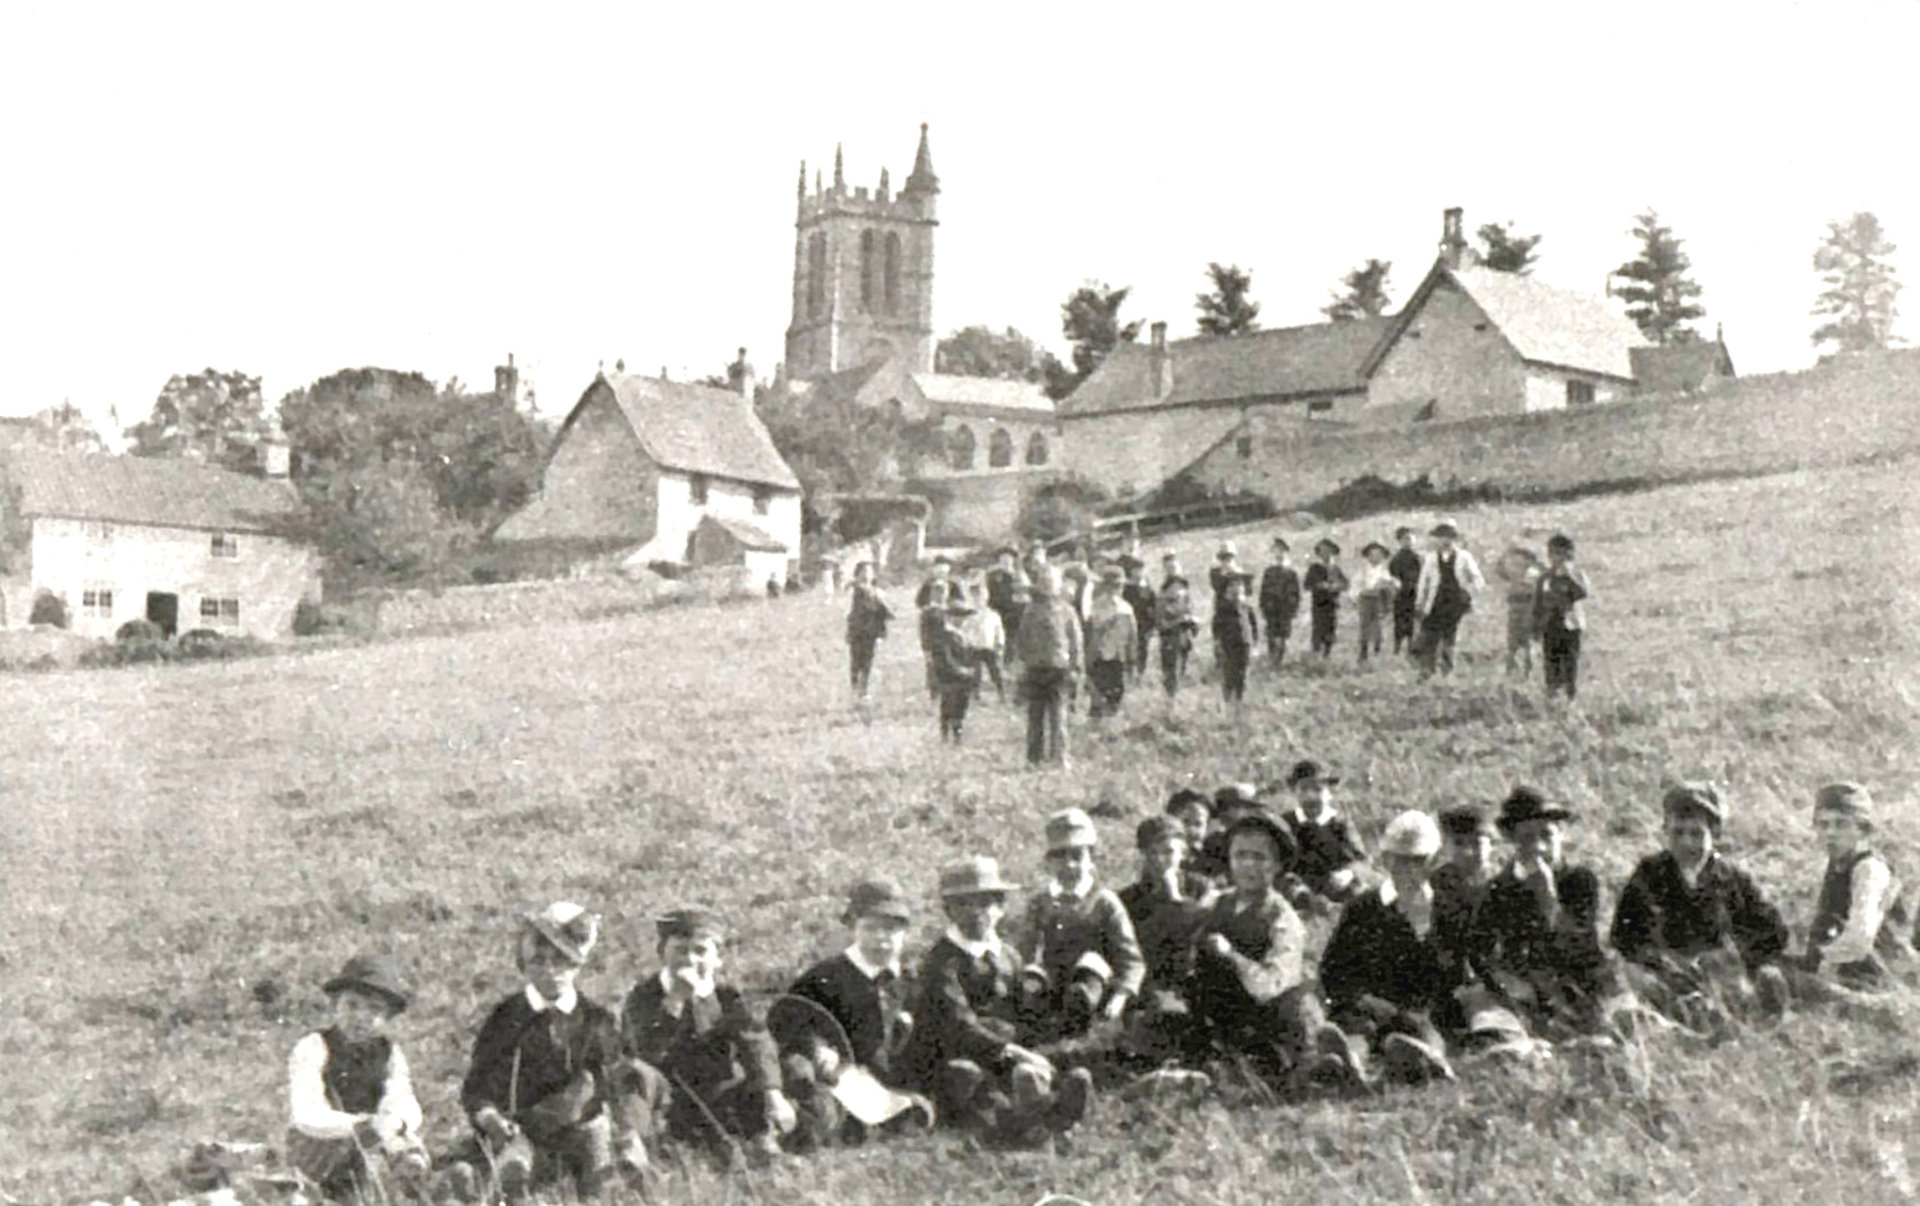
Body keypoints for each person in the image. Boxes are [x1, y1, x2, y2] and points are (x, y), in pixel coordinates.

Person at [902, 856, 1095, 1146]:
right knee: (970, 1080)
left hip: (1005, 1051)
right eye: (964, 905)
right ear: (949, 911)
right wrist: (1015, 1052)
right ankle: (1032, 1119)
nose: (977, 913)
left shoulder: (1008, 955)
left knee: (1046, 1064)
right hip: (960, 1052)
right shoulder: (942, 962)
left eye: (986, 903)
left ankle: (1046, 1110)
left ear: (1001, 908)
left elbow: (1024, 1013)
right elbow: (959, 1024)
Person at [458, 904, 636, 1199]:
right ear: (523, 965)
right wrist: (489, 1117)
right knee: (501, 1168)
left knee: (596, 1133)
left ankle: (598, 1192)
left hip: (575, 1132)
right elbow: (476, 1088)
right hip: (517, 1132)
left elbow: (612, 1082)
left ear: (577, 964)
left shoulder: (595, 1019)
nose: (550, 971)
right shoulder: (507, 1017)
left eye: (561, 961)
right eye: (538, 961)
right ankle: (509, 1185)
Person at [1186, 811, 1359, 1090]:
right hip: (1230, 1014)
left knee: (1293, 1044)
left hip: (1275, 1016)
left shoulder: (1282, 917)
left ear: (1277, 865)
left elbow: (1271, 984)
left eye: (1259, 858)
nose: (1248, 866)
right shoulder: (1217, 903)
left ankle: (1322, 1069)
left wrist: (1231, 955)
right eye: (1240, 856)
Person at [619, 907, 792, 1164]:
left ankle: (762, 1142)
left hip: (720, 1095)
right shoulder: (644, 997)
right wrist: (675, 1002)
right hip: (669, 1098)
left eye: (700, 951)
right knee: (634, 1076)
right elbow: (644, 1051)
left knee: (771, 1072)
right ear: (661, 953)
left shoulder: (726, 997)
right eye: (680, 950)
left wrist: (772, 1093)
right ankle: (637, 1149)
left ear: (717, 959)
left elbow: (756, 1042)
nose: (689, 959)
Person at [1610, 783, 1790, 1026]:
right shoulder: (1649, 874)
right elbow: (1624, 936)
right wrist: (1659, 962)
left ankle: (1727, 1019)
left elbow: (1771, 931)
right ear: (1665, 831)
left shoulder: (1732, 878)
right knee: (1640, 988)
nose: (1686, 843)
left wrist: (1738, 956)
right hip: (1666, 972)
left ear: (1715, 834)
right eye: (1677, 833)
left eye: (1697, 834)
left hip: (1721, 975)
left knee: (1758, 987)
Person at [769, 880, 927, 1151]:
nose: (881, 938)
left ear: (905, 933)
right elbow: (787, 1019)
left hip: (882, 1076)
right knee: (822, 1113)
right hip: (836, 1074)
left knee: (920, 1111)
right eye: (870, 928)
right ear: (854, 928)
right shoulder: (826, 976)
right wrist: (817, 1046)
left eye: (890, 930)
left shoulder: (909, 980)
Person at [1316, 812, 1462, 1084]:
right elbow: (1333, 970)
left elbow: (1456, 973)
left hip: (1419, 1011)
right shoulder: (1362, 907)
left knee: (1420, 1032)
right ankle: (1350, 1063)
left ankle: (1420, 1061)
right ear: (1385, 860)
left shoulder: (1445, 909)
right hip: (1368, 1005)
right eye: (1399, 861)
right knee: (1355, 1027)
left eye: (1419, 861)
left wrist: (1422, 929)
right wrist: (1362, 998)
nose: (1409, 870)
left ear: (1434, 861)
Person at [1466, 788, 1624, 1037]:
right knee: (1481, 995)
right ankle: (1511, 1038)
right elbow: (1480, 951)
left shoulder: (1580, 879)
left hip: (1576, 978)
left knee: (1612, 977)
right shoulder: (1498, 888)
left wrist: (1548, 897)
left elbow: (1582, 944)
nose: (1539, 847)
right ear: (1513, 841)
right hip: (1526, 985)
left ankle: (1605, 1029)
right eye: (1527, 838)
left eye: (1546, 836)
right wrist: (1506, 978)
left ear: (1561, 835)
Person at [286, 955, 431, 1201]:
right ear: (335, 1006)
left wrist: (394, 1122)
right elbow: (307, 1112)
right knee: (319, 1184)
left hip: (371, 1142)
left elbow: (402, 1098)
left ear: (387, 1018)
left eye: (374, 1010)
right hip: (323, 1144)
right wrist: (356, 1125)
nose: (361, 1016)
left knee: (400, 1141)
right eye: (351, 1005)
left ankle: (410, 1176)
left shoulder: (390, 1054)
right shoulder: (314, 1046)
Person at [1016, 809, 1147, 1046]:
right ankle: (1040, 1030)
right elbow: (1024, 951)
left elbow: (1131, 960)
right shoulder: (1041, 902)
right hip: (1054, 983)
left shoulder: (1104, 902)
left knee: (1090, 964)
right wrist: (1027, 979)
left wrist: (1119, 997)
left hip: (1094, 988)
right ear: (1048, 861)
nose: (1069, 865)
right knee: (1033, 981)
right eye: (1060, 856)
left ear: (1091, 858)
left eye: (1077, 856)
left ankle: (1078, 1027)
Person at [1781, 782, 1915, 994]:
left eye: (1841, 824)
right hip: (1847, 976)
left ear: (1862, 829)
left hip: (1875, 984)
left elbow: (1859, 940)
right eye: (1823, 825)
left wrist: (1821, 963)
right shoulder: (1838, 865)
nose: (1830, 833)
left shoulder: (1869, 870)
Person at [1117, 815, 1216, 1000]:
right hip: (1148, 981)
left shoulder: (1202, 887)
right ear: (1143, 854)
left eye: (1168, 852)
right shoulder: (1127, 898)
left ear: (1183, 852)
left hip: (1194, 977)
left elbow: (1203, 930)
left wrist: (1176, 899)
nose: (1160, 860)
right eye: (1152, 852)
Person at [1012, 566, 1083, 769]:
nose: (1047, 585)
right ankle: (1033, 759)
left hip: (1059, 669)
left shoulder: (1067, 611)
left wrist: (1076, 667)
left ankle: (1060, 757)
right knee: (1035, 717)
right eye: (1043, 581)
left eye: (1051, 581)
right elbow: (1022, 639)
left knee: (1059, 717)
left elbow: (1075, 641)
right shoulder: (1030, 610)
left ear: (1058, 585)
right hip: (1035, 669)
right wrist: (1022, 664)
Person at [1280, 759, 1369, 912]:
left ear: (1329, 794)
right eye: (1304, 790)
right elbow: (1277, 859)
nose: (1311, 797)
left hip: (1332, 882)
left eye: (1317, 790)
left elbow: (1360, 858)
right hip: (1299, 882)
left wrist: (1348, 873)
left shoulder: (1339, 823)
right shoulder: (1286, 823)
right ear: (1294, 792)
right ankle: (1308, 906)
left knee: (1360, 891)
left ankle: (1336, 909)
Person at [1413, 520, 1486, 680]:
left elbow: (1477, 578)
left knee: (1449, 636)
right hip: (1436, 601)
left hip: (1455, 602)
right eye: (1441, 537)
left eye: (1448, 537)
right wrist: (1419, 602)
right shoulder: (1431, 558)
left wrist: (1469, 591)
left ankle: (1447, 671)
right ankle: (1427, 670)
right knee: (1430, 635)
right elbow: (1423, 582)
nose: (1444, 540)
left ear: (1454, 539)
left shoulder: (1464, 557)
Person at [1532, 533, 1589, 700]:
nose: (1557, 558)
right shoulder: (1544, 578)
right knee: (1551, 662)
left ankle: (1571, 696)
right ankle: (1552, 694)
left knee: (1570, 663)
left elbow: (1582, 593)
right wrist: (1535, 626)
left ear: (1569, 555)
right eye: (1553, 554)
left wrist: (1568, 575)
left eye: (1561, 554)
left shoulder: (1577, 575)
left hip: (1570, 626)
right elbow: (1538, 602)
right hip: (1550, 626)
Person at [1084, 567, 1138, 721]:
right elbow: (1090, 635)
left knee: (1116, 696)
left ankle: (1110, 728)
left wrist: (1132, 660)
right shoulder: (1095, 607)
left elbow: (1132, 637)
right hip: (1099, 658)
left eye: (1119, 586)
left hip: (1118, 658)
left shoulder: (1126, 609)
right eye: (1113, 586)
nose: (1117, 590)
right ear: (1105, 587)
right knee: (1097, 697)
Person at [929, 598, 982, 743]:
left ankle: (957, 734)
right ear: (949, 617)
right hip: (949, 676)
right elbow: (945, 658)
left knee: (961, 704)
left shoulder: (963, 635)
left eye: (963, 616)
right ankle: (945, 734)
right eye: (958, 616)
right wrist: (960, 670)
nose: (962, 620)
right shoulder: (944, 635)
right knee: (949, 704)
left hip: (964, 676)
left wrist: (971, 668)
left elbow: (970, 653)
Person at [845, 561, 893, 709]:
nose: (866, 574)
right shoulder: (859, 590)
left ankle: (863, 691)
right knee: (857, 661)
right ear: (858, 574)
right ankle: (857, 692)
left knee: (867, 661)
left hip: (871, 631)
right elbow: (870, 607)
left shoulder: (873, 590)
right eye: (863, 571)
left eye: (869, 571)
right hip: (859, 631)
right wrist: (884, 608)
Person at [1210, 571, 1259, 711]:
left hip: (1245, 644)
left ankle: (1239, 702)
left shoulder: (1247, 606)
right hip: (1229, 645)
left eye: (1240, 585)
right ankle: (1228, 702)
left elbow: (1253, 625)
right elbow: (1216, 627)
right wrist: (1218, 643)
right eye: (1233, 585)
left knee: (1242, 674)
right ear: (1227, 588)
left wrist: (1254, 643)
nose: (1237, 588)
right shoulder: (1223, 607)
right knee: (1229, 674)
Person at [1495, 545, 1543, 679]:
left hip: (1528, 606)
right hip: (1515, 606)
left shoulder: (1534, 572)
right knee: (1513, 642)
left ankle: (1527, 671)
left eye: (1523, 558)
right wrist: (1504, 556)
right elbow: (1501, 572)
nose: (1519, 562)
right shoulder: (1517, 572)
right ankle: (1511, 670)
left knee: (1526, 642)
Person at [1154, 575, 1200, 699]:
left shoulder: (1186, 602)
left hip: (1184, 640)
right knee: (1170, 673)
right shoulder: (1162, 602)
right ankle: (1170, 697)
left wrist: (1193, 623)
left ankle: (1178, 697)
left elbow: (1194, 623)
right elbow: (1160, 624)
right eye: (1175, 587)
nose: (1178, 590)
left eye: (1181, 587)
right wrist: (1179, 621)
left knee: (1182, 670)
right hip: (1169, 640)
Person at [1258, 537, 1302, 668]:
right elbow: (1263, 591)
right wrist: (1263, 606)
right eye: (1276, 551)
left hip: (1285, 608)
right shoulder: (1269, 572)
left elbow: (1296, 592)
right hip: (1271, 608)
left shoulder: (1290, 573)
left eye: (1281, 551)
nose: (1279, 554)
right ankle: (1272, 658)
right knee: (1271, 633)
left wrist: (1293, 608)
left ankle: (1280, 660)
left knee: (1283, 634)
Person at [961, 581, 1007, 702]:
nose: (979, 600)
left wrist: (1000, 643)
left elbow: (999, 630)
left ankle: (1001, 692)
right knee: (976, 672)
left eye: (981, 596)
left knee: (995, 670)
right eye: (976, 597)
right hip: (975, 647)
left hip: (989, 646)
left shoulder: (992, 615)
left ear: (986, 597)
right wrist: (967, 642)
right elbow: (964, 631)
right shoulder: (969, 615)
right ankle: (975, 693)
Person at [1303, 539, 1348, 659]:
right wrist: (1321, 585)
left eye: (1328, 551)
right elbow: (1307, 584)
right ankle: (1316, 653)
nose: (1326, 554)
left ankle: (1327, 654)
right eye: (1323, 551)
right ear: (1319, 553)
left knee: (1330, 628)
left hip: (1332, 604)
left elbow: (1345, 584)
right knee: (1318, 628)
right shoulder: (1315, 568)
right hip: (1319, 603)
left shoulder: (1335, 568)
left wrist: (1337, 586)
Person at [1352, 541, 1396, 662]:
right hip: (1366, 599)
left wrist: (1388, 585)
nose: (1376, 557)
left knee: (1378, 625)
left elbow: (1391, 584)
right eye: (1373, 554)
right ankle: (1363, 651)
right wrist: (1359, 595)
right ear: (1368, 556)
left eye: (1379, 555)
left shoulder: (1384, 571)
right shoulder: (1363, 570)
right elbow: (1356, 585)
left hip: (1379, 600)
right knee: (1365, 625)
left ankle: (1377, 649)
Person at [1119, 554, 1158, 682]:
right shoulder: (1125, 588)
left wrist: (1153, 622)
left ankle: (1140, 674)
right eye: (1136, 570)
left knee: (1143, 649)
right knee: (1129, 650)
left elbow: (1153, 604)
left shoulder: (1146, 587)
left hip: (1144, 624)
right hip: (1130, 624)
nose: (1139, 573)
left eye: (1141, 570)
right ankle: (1129, 674)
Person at [1387, 527, 1423, 656]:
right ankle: (1397, 648)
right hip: (1401, 594)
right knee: (1400, 622)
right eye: (1406, 539)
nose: (1409, 541)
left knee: (1414, 622)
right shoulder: (1396, 559)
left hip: (1416, 593)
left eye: (1411, 538)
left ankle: (1412, 648)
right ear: (1400, 541)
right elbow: (1392, 575)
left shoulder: (1419, 558)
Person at [984, 546, 1027, 649]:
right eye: (1003, 558)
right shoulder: (993, 576)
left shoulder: (1019, 575)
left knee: (1013, 641)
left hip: (1015, 613)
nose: (1006, 561)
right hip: (997, 611)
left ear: (1013, 560)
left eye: (1008, 558)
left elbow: (1024, 595)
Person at [1208, 540, 1245, 607]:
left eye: (1229, 556)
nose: (1227, 559)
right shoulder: (1216, 572)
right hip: (1222, 605)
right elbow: (1216, 586)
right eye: (1224, 557)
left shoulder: (1237, 570)